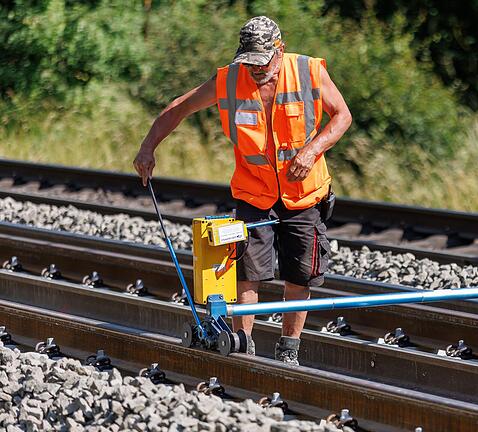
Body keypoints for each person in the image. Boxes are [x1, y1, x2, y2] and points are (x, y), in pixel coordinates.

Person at [133, 16, 352, 365]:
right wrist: (148, 146)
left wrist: (311, 152)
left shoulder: (308, 71)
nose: (254, 70)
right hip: (253, 194)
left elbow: (342, 115)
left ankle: (288, 351)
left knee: (299, 274)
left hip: (304, 194)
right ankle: (242, 345)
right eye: (248, 62)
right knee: (248, 273)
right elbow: (180, 107)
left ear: (278, 52)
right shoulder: (229, 80)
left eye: (261, 62)